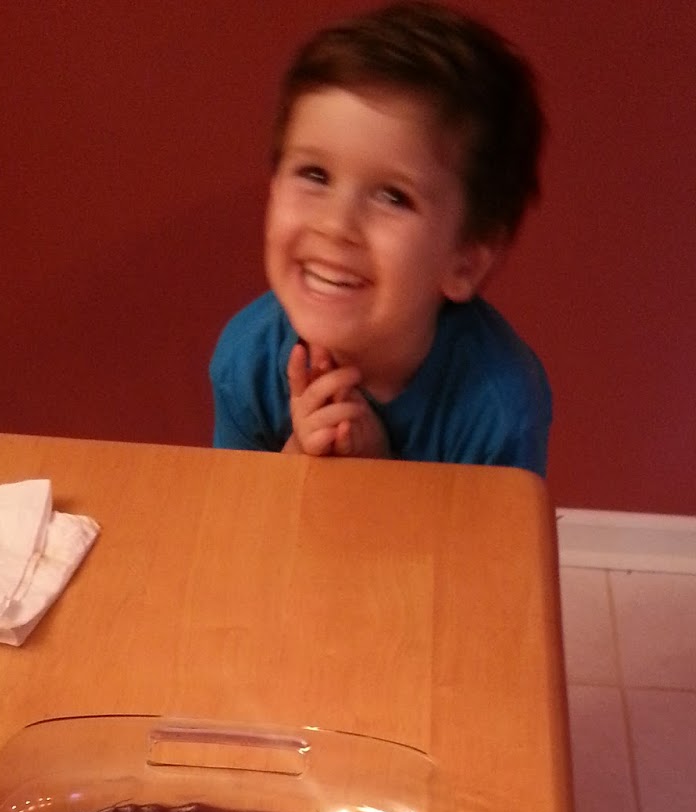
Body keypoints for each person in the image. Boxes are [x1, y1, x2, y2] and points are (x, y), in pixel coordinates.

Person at [209, 1, 551, 472]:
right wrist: (298, 460)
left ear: (466, 261)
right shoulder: (246, 359)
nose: (335, 225)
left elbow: (487, 526)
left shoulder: (499, 408)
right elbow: (238, 514)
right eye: (315, 174)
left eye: (393, 196)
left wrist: (380, 473)